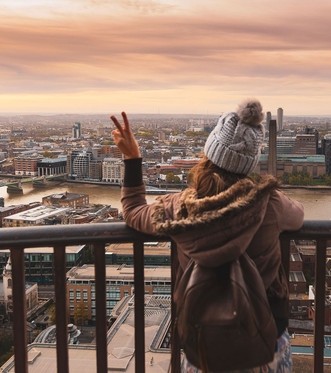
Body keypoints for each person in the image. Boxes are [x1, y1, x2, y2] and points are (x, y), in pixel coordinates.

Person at [110, 98, 304, 373]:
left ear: (209, 156)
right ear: (249, 163)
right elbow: (298, 216)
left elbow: (133, 211)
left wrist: (132, 158)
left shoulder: (180, 207)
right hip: (265, 341)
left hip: (203, 344)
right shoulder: (269, 204)